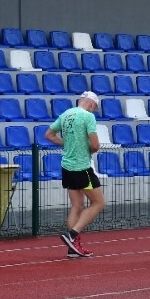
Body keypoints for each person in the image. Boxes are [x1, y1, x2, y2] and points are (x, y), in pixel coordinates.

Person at [45, 91, 105, 258]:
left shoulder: (65, 114)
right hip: (82, 167)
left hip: (67, 166)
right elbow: (95, 145)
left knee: (77, 206)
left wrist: (67, 143)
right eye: (94, 108)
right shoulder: (88, 116)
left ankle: (73, 247)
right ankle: (72, 235)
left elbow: (49, 135)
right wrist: (88, 147)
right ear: (92, 104)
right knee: (98, 203)